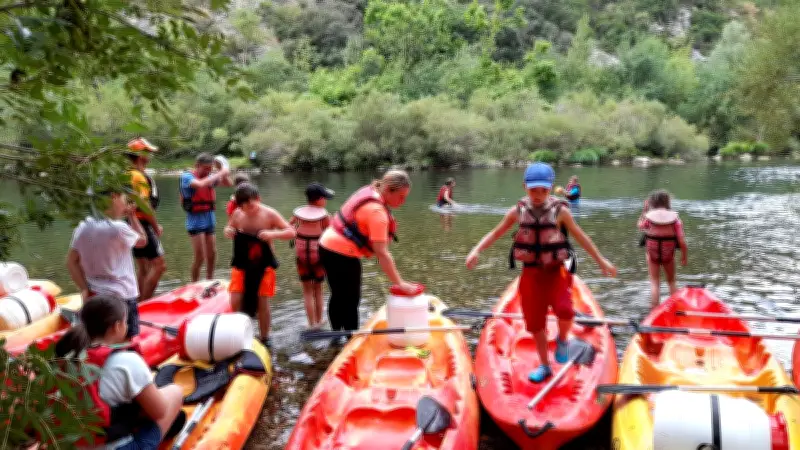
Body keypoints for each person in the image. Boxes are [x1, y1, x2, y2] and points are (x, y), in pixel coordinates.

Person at [465, 162, 616, 383]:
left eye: (543, 190)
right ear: (524, 187)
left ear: (550, 188)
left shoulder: (561, 212)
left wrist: (601, 261)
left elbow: (582, 237)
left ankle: (562, 340)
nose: (538, 195)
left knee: (566, 311)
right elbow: (495, 233)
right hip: (531, 275)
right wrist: (476, 249)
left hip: (556, 273)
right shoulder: (517, 212)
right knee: (536, 324)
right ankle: (545, 365)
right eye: (533, 190)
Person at [55, 295, 185, 449]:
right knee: (175, 392)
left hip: (71, 444)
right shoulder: (127, 361)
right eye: (125, 322)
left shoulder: (65, 356)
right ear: (117, 326)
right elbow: (159, 412)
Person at [319, 170, 419, 345]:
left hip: (325, 245)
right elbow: (382, 254)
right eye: (401, 197)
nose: (403, 202)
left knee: (338, 295)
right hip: (340, 252)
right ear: (388, 189)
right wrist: (400, 283)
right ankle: (352, 341)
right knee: (351, 300)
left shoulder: (372, 190)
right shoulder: (377, 212)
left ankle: (336, 337)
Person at [66, 187, 147, 339]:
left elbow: (71, 262)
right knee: (128, 340)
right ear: (114, 197)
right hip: (122, 296)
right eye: (124, 199)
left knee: (98, 340)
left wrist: (84, 288)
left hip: (95, 296)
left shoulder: (82, 228)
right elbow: (142, 241)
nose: (125, 204)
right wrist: (132, 216)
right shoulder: (118, 229)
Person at [224, 183, 295, 346]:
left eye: (252, 204)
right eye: (244, 205)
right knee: (235, 299)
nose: (249, 208)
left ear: (258, 199)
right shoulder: (237, 214)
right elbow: (229, 227)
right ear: (239, 205)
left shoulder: (269, 214)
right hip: (242, 261)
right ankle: (238, 333)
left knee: (262, 300)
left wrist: (273, 234)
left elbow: (291, 232)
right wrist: (228, 231)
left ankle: (265, 337)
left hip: (264, 263)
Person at [180, 153, 233, 282]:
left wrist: (223, 170)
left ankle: (209, 280)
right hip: (195, 221)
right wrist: (219, 174)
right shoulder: (187, 177)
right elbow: (199, 185)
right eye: (205, 168)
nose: (208, 171)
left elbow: (228, 183)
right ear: (197, 165)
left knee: (212, 253)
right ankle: (194, 283)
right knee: (200, 257)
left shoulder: (210, 176)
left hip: (209, 218)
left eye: (210, 168)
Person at [290, 182, 334, 329]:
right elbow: (332, 233)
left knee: (307, 292)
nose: (326, 201)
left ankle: (311, 323)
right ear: (319, 199)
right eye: (324, 198)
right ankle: (319, 321)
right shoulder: (324, 216)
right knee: (318, 291)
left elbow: (288, 227)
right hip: (318, 258)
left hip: (302, 258)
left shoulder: (298, 215)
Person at [126, 137, 165, 302]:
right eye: (147, 152)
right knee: (159, 266)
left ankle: (138, 303)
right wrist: (155, 226)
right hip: (142, 223)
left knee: (143, 267)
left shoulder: (127, 174)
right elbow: (144, 205)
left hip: (130, 223)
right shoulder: (138, 177)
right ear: (140, 155)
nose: (150, 155)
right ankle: (144, 304)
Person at [638, 189, 688, 308]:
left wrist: (644, 210)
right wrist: (684, 256)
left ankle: (654, 309)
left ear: (652, 203)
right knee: (671, 281)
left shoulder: (649, 219)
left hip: (652, 254)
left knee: (655, 282)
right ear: (668, 202)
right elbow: (681, 241)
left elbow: (640, 225)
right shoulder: (675, 220)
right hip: (668, 255)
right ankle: (675, 308)